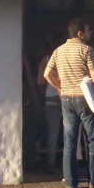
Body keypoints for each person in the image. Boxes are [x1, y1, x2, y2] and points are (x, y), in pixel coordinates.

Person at [43, 19, 94, 188]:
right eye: (88, 30)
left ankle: (71, 183)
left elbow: (46, 74)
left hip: (66, 99)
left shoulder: (58, 51)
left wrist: (60, 86)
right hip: (85, 98)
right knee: (92, 140)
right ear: (80, 33)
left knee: (69, 142)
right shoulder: (87, 50)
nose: (90, 33)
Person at [37, 34, 64, 174]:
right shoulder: (67, 58)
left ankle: (51, 163)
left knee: (53, 132)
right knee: (71, 130)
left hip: (51, 97)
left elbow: (40, 82)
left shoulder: (46, 60)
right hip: (67, 96)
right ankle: (71, 162)